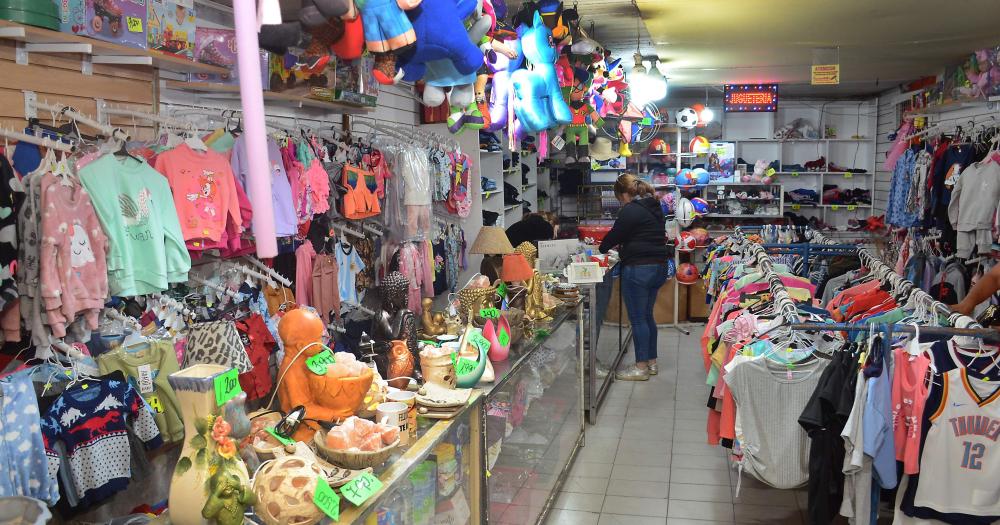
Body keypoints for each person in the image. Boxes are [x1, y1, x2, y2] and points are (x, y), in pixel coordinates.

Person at [599, 174, 671, 380]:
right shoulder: (654, 206)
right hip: (658, 266)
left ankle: (640, 368)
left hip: (639, 268)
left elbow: (613, 236)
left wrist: (601, 248)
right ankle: (651, 362)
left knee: (638, 319)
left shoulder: (631, 210)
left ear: (623, 194)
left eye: (619, 198)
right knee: (647, 316)